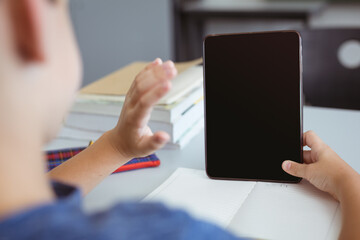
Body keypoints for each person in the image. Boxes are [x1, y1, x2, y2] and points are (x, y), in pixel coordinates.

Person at [0, 0, 359, 239]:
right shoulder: (164, 231)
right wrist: (348, 183)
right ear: (30, 19)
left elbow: (35, 208)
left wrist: (114, 145)